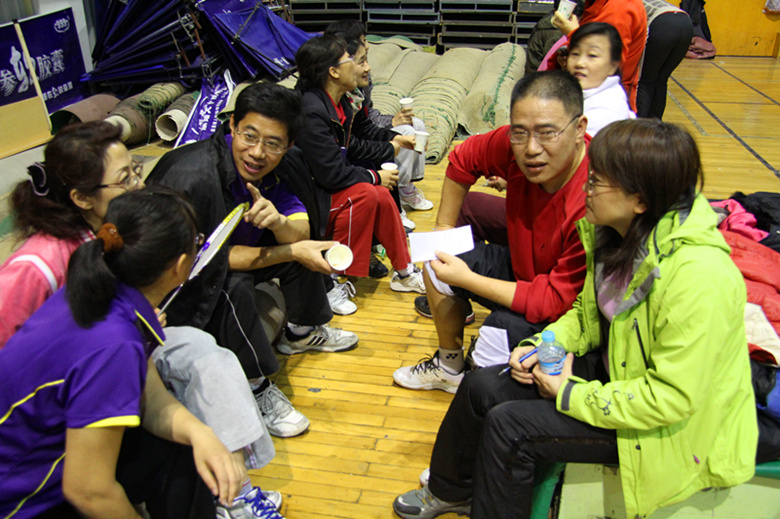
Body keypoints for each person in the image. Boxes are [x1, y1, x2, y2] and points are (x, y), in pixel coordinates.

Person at [392, 118, 759, 519]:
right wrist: (544, 344)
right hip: (620, 375)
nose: (586, 187)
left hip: (671, 432)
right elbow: (587, 315)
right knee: (481, 386)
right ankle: (450, 492)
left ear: (640, 200)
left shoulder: (699, 277)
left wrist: (569, 393)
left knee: (510, 427)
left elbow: (670, 400)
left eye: (597, 181)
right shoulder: (614, 233)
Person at [0, 122, 285, 517]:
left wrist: (202, 434)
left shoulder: (100, 281)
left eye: (135, 172)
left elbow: (149, 393)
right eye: (125, 178)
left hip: (54, 444)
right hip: (24, 497)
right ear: (181, 266)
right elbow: (89, 490)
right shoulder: (106, 335)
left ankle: (234, 495)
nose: (137, 184)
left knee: (184, 452)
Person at [149, 82, 361, 437]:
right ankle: (255, 384)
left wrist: (279, 224)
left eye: (273, 143)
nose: (258, 153)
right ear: (232, 125)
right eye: (249, 136)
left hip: (228, 256)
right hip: (182, 282)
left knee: (305, 247)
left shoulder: (283, 166)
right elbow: (201, 262)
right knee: (234, 287)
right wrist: (289, 250)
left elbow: (300, 229)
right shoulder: (190, 177)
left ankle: (300, 333)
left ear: (289, 144)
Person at [395, 71, 590, 394]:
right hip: (526, 271)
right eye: (520, 132)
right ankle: (449, 366)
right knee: (436, 256)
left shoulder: (594, 197)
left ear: (579, 129)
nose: (531, 148)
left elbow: (555, 300)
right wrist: (443, 229)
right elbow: (463, 158)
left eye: (547, 133)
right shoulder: (515, 145)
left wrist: (468, 280)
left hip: (564, 314)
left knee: (494, 340)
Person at [294, 35, 426, 298]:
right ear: (334, 72)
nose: (364, 67)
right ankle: (331, 280)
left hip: (328, 188)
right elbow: (331, 174)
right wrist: (375, 176)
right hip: (309, 199)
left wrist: (393, 142)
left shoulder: (342, 102)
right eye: (354, 60)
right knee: (366, 192)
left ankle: (405, 272)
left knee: (381, 194)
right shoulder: (311, 111)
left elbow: (352, 144)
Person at [325, 20, 434, 226]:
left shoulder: (352, 95)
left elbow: (363, 125)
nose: (368, 66)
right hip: (333, 184)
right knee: (380, 160)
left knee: (410, 130)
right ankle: (393, 210)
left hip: (351, 156)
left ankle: (400, 198)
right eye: (361, 60)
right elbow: (344, 152)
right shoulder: (320, 108)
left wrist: (396, 139)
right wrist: (386, 153)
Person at [552, 0, 646, 111]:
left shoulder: (618, 8)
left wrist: (573, 33)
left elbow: (609, 62)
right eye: (575, 54)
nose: (579, 63)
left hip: (603, 101)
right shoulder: (597, 3)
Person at [566, 22, 635, 135]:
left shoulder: (606, 111)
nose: (580, 63)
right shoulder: (576, 94)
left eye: (592, 55)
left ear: (613, 66)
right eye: (575, 53)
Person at [637, 0, 693, 119]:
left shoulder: (619, 5)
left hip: (662, 23)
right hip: (686, 23)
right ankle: (656, 124)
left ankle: (640, 126)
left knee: (646, 81)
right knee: (661, 80)